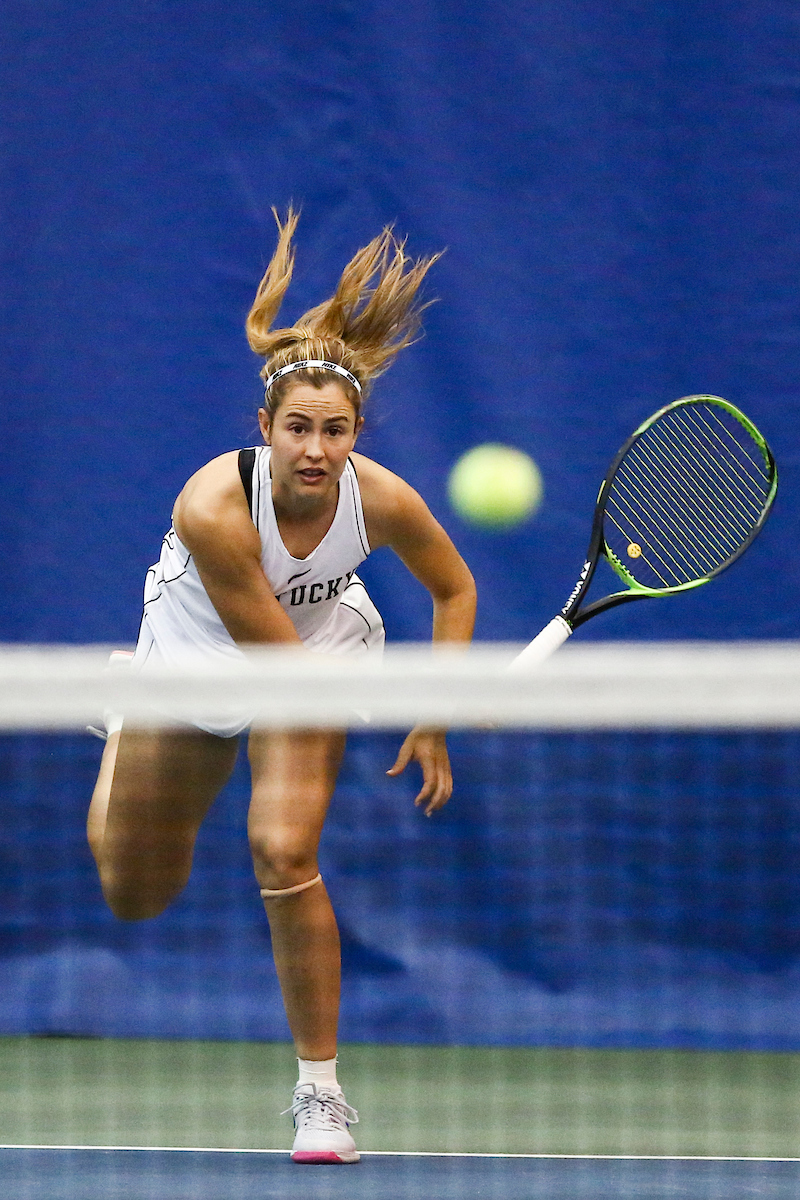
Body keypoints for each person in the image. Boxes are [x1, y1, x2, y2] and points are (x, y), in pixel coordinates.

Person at [87, 209, 477, 1164]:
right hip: (201, 653)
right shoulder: (213, 506)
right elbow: (273, 665)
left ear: (356, 434)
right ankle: (125, 715)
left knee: (283, 847)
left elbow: (455, 589)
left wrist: (436, 714)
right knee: (134, 892)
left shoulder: (382, 499)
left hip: (321, 644)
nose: (314, 448)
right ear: (265, 429)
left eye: (334, 431)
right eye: (297, 428)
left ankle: (320, 1093)